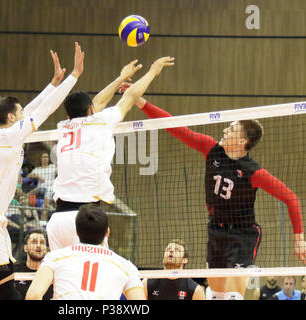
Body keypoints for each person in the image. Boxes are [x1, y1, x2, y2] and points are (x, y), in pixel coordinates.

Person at [129, 95, 306, 300]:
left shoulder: (253, 172)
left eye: (231, 129)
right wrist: (141, 102)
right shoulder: (212, 149)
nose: (224, 130)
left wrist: (299, 239)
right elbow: (174, 127)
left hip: (242, 235)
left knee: (233, 295)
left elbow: (291, 198)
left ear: (242, 141)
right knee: (216, 294)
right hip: (216, 232)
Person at [0, 42, 84, 300]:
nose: (25, 115)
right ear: (13, 119)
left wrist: (53, 84)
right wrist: (74, 77)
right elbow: (43, 111)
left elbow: (32, 109)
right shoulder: (9, 137)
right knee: (9, 296)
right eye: (20, 114)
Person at [47, 56, 174, 251]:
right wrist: (152, 72)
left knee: (62, 277)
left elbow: (96, 103)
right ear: (90, 110)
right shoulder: (101, 121)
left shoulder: (63, 127)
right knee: (95, 279)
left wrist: (119, 78)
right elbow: (130, 96)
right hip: (85, 220)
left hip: (57, 220)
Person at [26, 204, 146, 300]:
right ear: (107, 233)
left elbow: (33, 296)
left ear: (77, 232)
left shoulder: (54, 258)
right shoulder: (126, 266)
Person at [13, 230, 53, 300]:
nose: (38, 245)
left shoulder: (52, 272)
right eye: (34, 242)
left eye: (42, 242)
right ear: (25, 248)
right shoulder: (14, 271)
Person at [26, 152, 56, 220]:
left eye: (46, 157)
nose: (45, 159)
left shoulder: (52, 167)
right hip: (41, 188)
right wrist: (38, 176)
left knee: (44, 208)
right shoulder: (38, 169)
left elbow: (59, 172)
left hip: (51, 188)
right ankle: (25, 197)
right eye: (43, 157)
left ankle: (47, 207)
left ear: (48, 159)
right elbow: (28, 176)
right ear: (41, 159)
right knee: (31, 193)